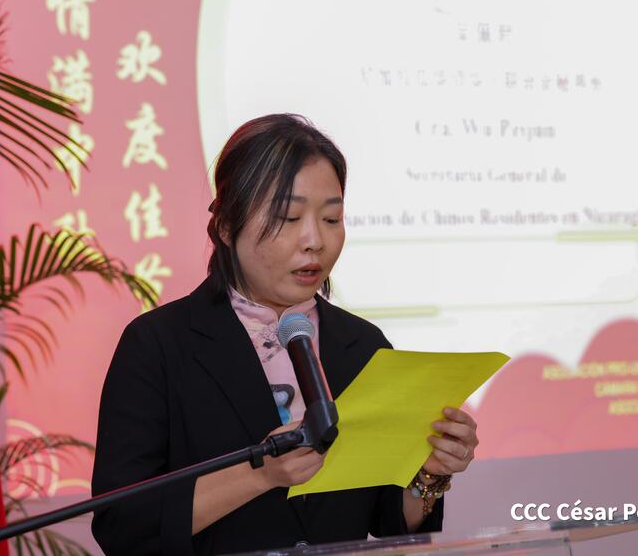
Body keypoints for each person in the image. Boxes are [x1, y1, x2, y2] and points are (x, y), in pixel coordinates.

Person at [91, 114, 479, 555]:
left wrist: (429, 472)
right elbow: (122, 525)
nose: (314, 240)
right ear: (226, 225)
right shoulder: (158, 345)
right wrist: (260, 475)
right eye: (289, 217)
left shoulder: (363, 345)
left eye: (331, 218)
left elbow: (390, 521)